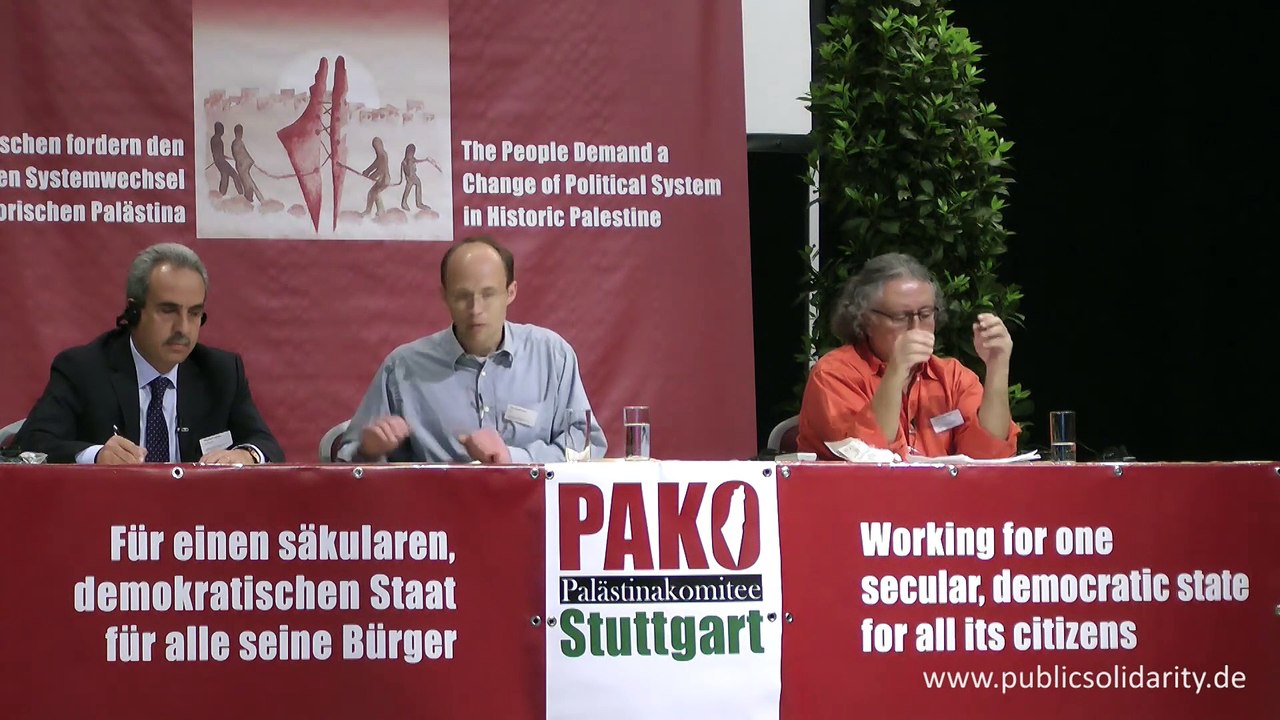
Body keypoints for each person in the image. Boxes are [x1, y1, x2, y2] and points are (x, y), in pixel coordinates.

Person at [337, 236, 606, 464]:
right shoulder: (403, 368)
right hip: (436, 518)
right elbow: (346, 458)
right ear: (444, 296)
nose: (476, 309)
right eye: (462, 296)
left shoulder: (552, 356)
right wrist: (367, 451)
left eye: (488, 294)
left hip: (533, 511)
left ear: (510, 292)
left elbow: (586, 447)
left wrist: (514, 457)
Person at [14, 243, 283, 465]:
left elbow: (267, 445)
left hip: (197, 525)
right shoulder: (83, 369)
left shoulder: (221, 372)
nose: (183, 328)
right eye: (168, 311)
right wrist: (96, 456)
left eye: (194, 313)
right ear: (133, 313)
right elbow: (31, 445)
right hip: (109, 521)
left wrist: (244, 455)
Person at [797, 252, 1017, 460]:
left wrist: (998, 365)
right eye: (901, 317)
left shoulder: (954, 377)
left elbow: (990, 457)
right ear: (865, 320)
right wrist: (896, 370)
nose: (916, 327)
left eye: (925, 314)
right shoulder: (833, 374)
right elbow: (868, 459)